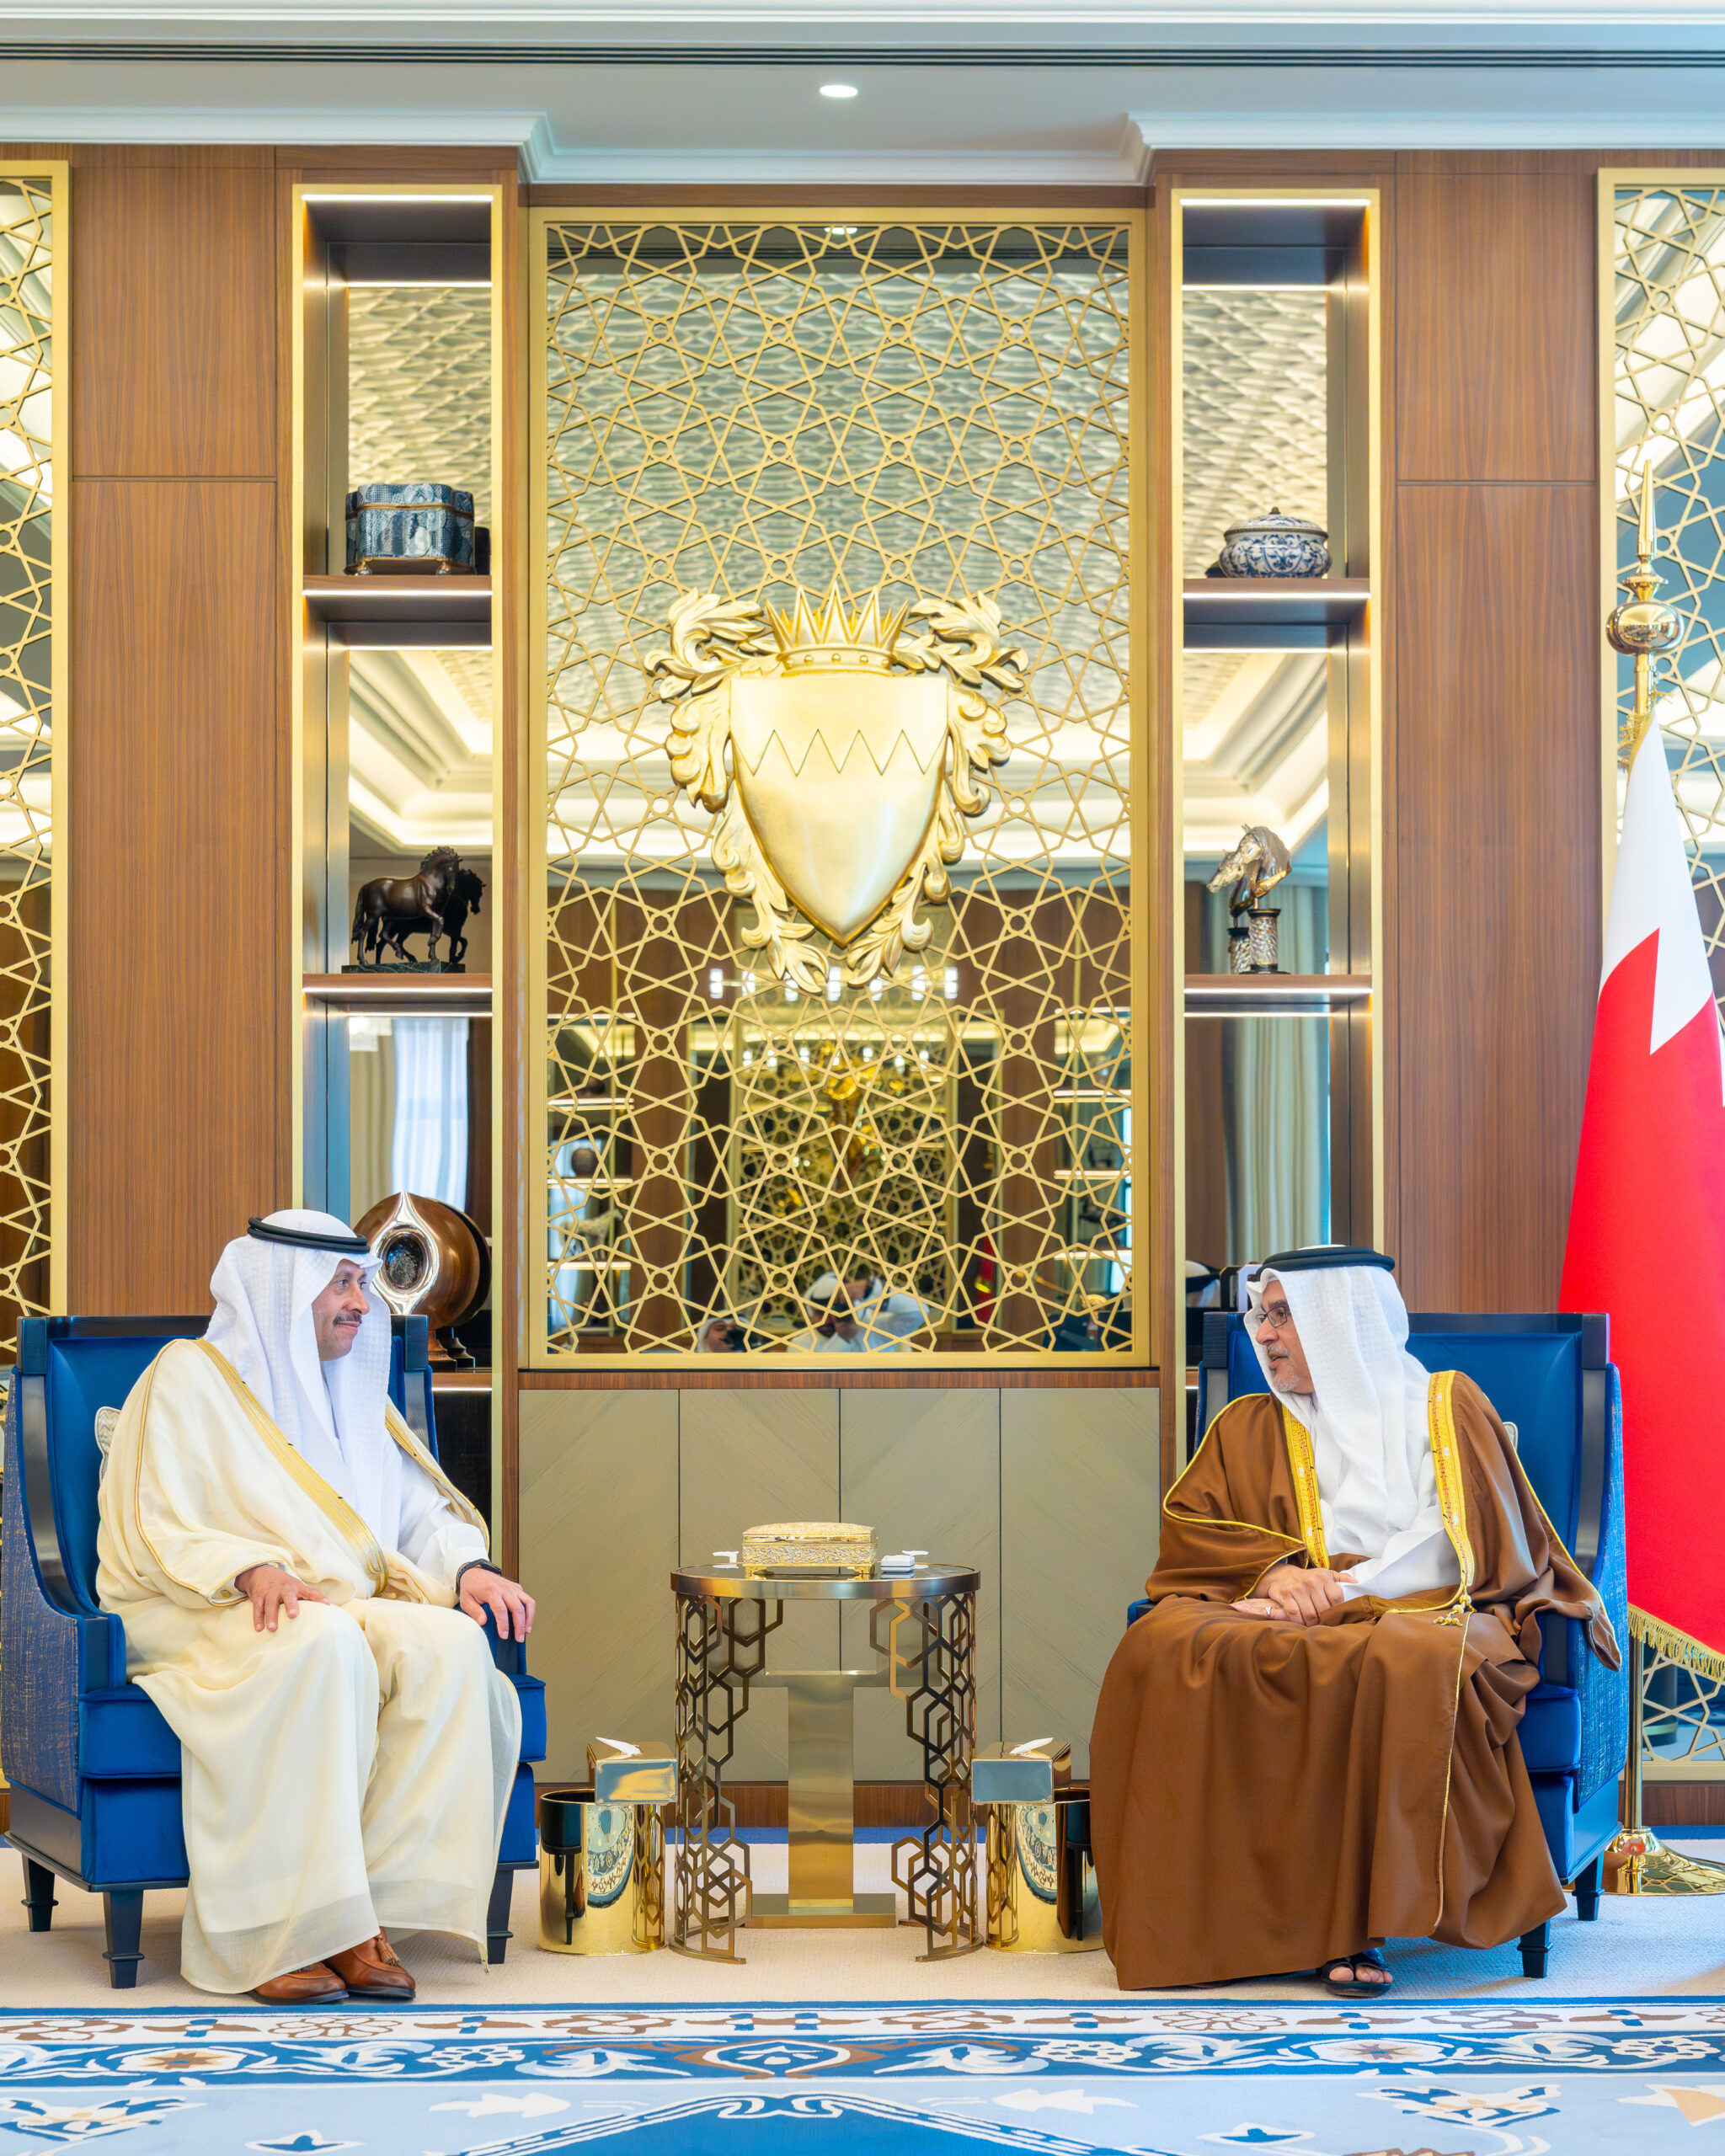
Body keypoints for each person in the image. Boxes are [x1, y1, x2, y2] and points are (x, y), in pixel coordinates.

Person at [1089, 1244, 1619, 1995]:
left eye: (1281, 1316)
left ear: (1339, 1319)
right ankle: (1217, 1924)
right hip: (1284, 1605)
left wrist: (1340, 1592)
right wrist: (1275, 1574)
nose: (1262, 1335)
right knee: (1167, 1644)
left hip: (1425, 1604)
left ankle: (1353, 1927)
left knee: (1399, 1658)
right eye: (1260, 1317)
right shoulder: (1248, 1424)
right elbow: (1193, 1528)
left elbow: (1457, 1537)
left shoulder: (1443, 1406)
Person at [95, 1209, 536, 2004]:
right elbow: (154, 1516)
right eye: (340, 1284)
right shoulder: (188, 1376)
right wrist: (245, 1568)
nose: (361, 1302)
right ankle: (274, 1929)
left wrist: (467, 1567)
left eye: (361, 1283)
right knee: (324, 1646)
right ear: (281, 1290)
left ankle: (360, 1913)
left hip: (325, 1603)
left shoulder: (352, 1386)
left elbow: (413, 1510)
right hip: (200, 1607)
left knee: (448, 1647)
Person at [788, 1265, 927, 1353]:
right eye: (820, 1313)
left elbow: (921, 1311)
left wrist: (873, 1290)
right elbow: (818, 1382)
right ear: (811, 1312)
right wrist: (842, 1339)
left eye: (834, 1312)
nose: (827, 1320)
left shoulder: (874, 1330)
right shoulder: (800, 1344)